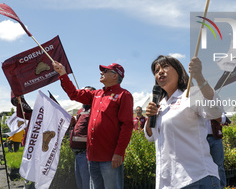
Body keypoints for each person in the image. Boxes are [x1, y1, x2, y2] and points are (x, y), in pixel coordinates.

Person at [144, 55, 223, 189]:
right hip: (168, 182)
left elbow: (215, 111)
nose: (160, 72)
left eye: (165, 66)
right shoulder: (160, 104)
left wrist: (199, 77)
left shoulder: (191, 95)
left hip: (196, 179)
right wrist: (149, 117)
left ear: (179, 71)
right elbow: (150, 137)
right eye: (156, 71)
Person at [53, 61, 134, 189]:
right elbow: (74, 94)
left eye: (105, 71)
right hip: (92, 157)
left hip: (110, 157)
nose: (101, 72)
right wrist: (63, 74)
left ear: (115, 76)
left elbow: (127, 126)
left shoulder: (124, 95)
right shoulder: (96, 94)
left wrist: (119, 153)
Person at [70, 86, 96, 189]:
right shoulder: (81, 110)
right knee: (80, 184)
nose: (82, 94)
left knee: (87, 184)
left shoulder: (94, 109)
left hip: (86, 153)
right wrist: (73, 124)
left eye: (85, 93)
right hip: (78, 154)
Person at [206, 113, 231, 189]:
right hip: (201, 138)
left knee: (219, 165)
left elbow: (223, 119)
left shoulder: (216, 104)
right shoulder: (198, 104)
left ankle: (222, 186)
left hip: (215, 137)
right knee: (203, 165)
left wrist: (211, 112)